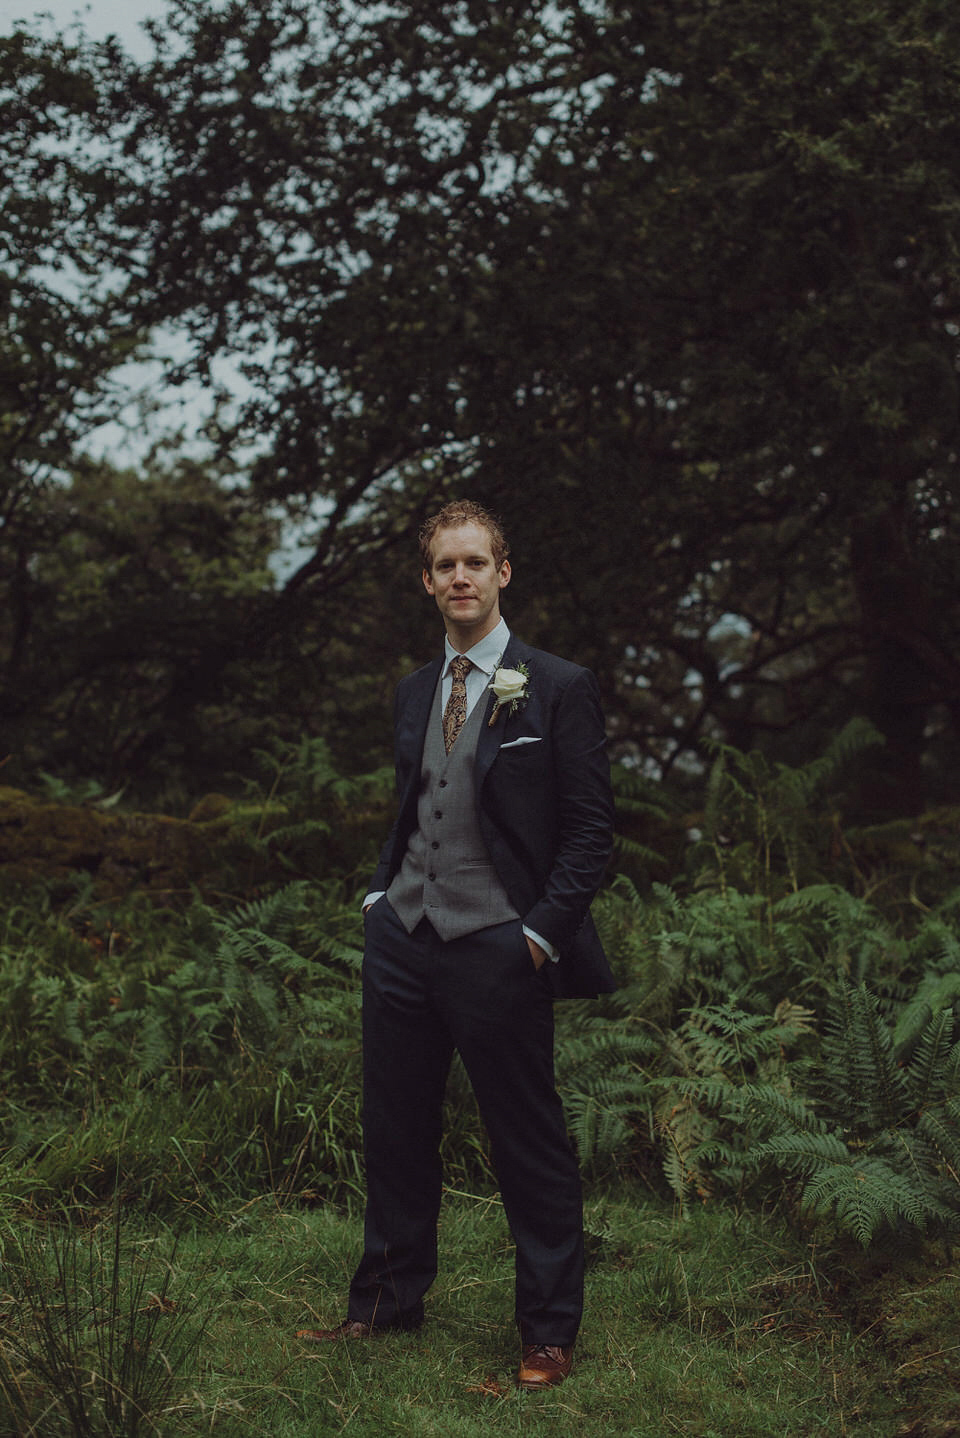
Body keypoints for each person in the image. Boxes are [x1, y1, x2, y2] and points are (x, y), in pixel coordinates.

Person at [297, 499, 615, 1389]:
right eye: (446, 566)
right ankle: (385, 1306)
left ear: (503, 573)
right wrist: (377, 894)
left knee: (528, 1138)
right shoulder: (411, 690)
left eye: (477, 562)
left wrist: (542, 935)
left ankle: (548, 1330)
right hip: (403, 938)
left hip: (500, 945)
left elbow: (592, 832)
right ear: (428, 581)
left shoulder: (555, 686)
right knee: (396, 1128)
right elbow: (412, 803)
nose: (461, 578)